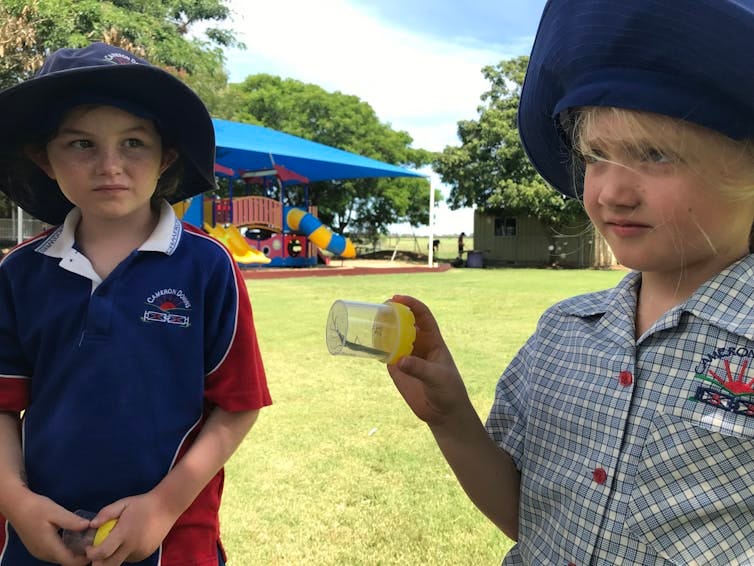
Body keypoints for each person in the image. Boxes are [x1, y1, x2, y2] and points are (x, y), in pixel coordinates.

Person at [386, 1, 754, 564]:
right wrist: (452, 417)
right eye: (597, 156)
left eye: (654, 154)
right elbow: (527, 517)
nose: (610, 192)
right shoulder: (563, 333)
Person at [0, 43, 272, 566]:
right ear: (44, 158)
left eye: (133, 143)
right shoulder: (19, 272)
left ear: (166, 155)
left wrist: (163, 508)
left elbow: (238, 405)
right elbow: (1, 406)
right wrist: (18, 504)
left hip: (171, 537)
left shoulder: (208, 266)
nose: (110, 165)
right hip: (37, 537)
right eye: (81, 143)